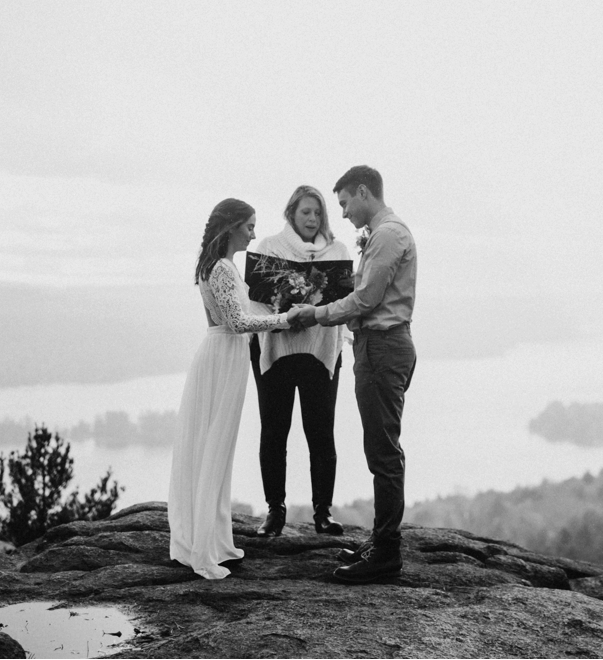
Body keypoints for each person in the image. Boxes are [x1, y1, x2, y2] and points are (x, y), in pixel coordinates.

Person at [168, 198, 314, 580]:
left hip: (220, 353)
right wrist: (286, 319)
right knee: (215, 446)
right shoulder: (221, 267)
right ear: (231, 226)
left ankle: (213, 538)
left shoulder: (211, 265)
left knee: (214, 446)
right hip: (224, 354)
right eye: (249, 225)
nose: (253, 232)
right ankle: (205, 546)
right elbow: (235, 322)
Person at [295, 165, 417, 584]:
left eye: (345, 203)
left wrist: (316, 313)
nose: (343, 213)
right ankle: (381, 540)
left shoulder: (387, 234)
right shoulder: (383, 234)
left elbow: (365, 299)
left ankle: (386, 553)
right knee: (378, 448)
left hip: (383, 349)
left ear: (364, 192)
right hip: (376, 347)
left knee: (383, 452)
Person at [250, 185, 352, 538]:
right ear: (291, 213)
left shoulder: (337, 251)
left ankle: (323, 512)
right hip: (276, 348)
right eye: (305, 212)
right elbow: (256, 301)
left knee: (321, 432)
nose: (312, 219)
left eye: (318, 213)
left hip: (321, 350)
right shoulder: (268, 247)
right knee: (274, 431)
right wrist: (283, 317)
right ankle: (274, 511)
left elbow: (346, 304)